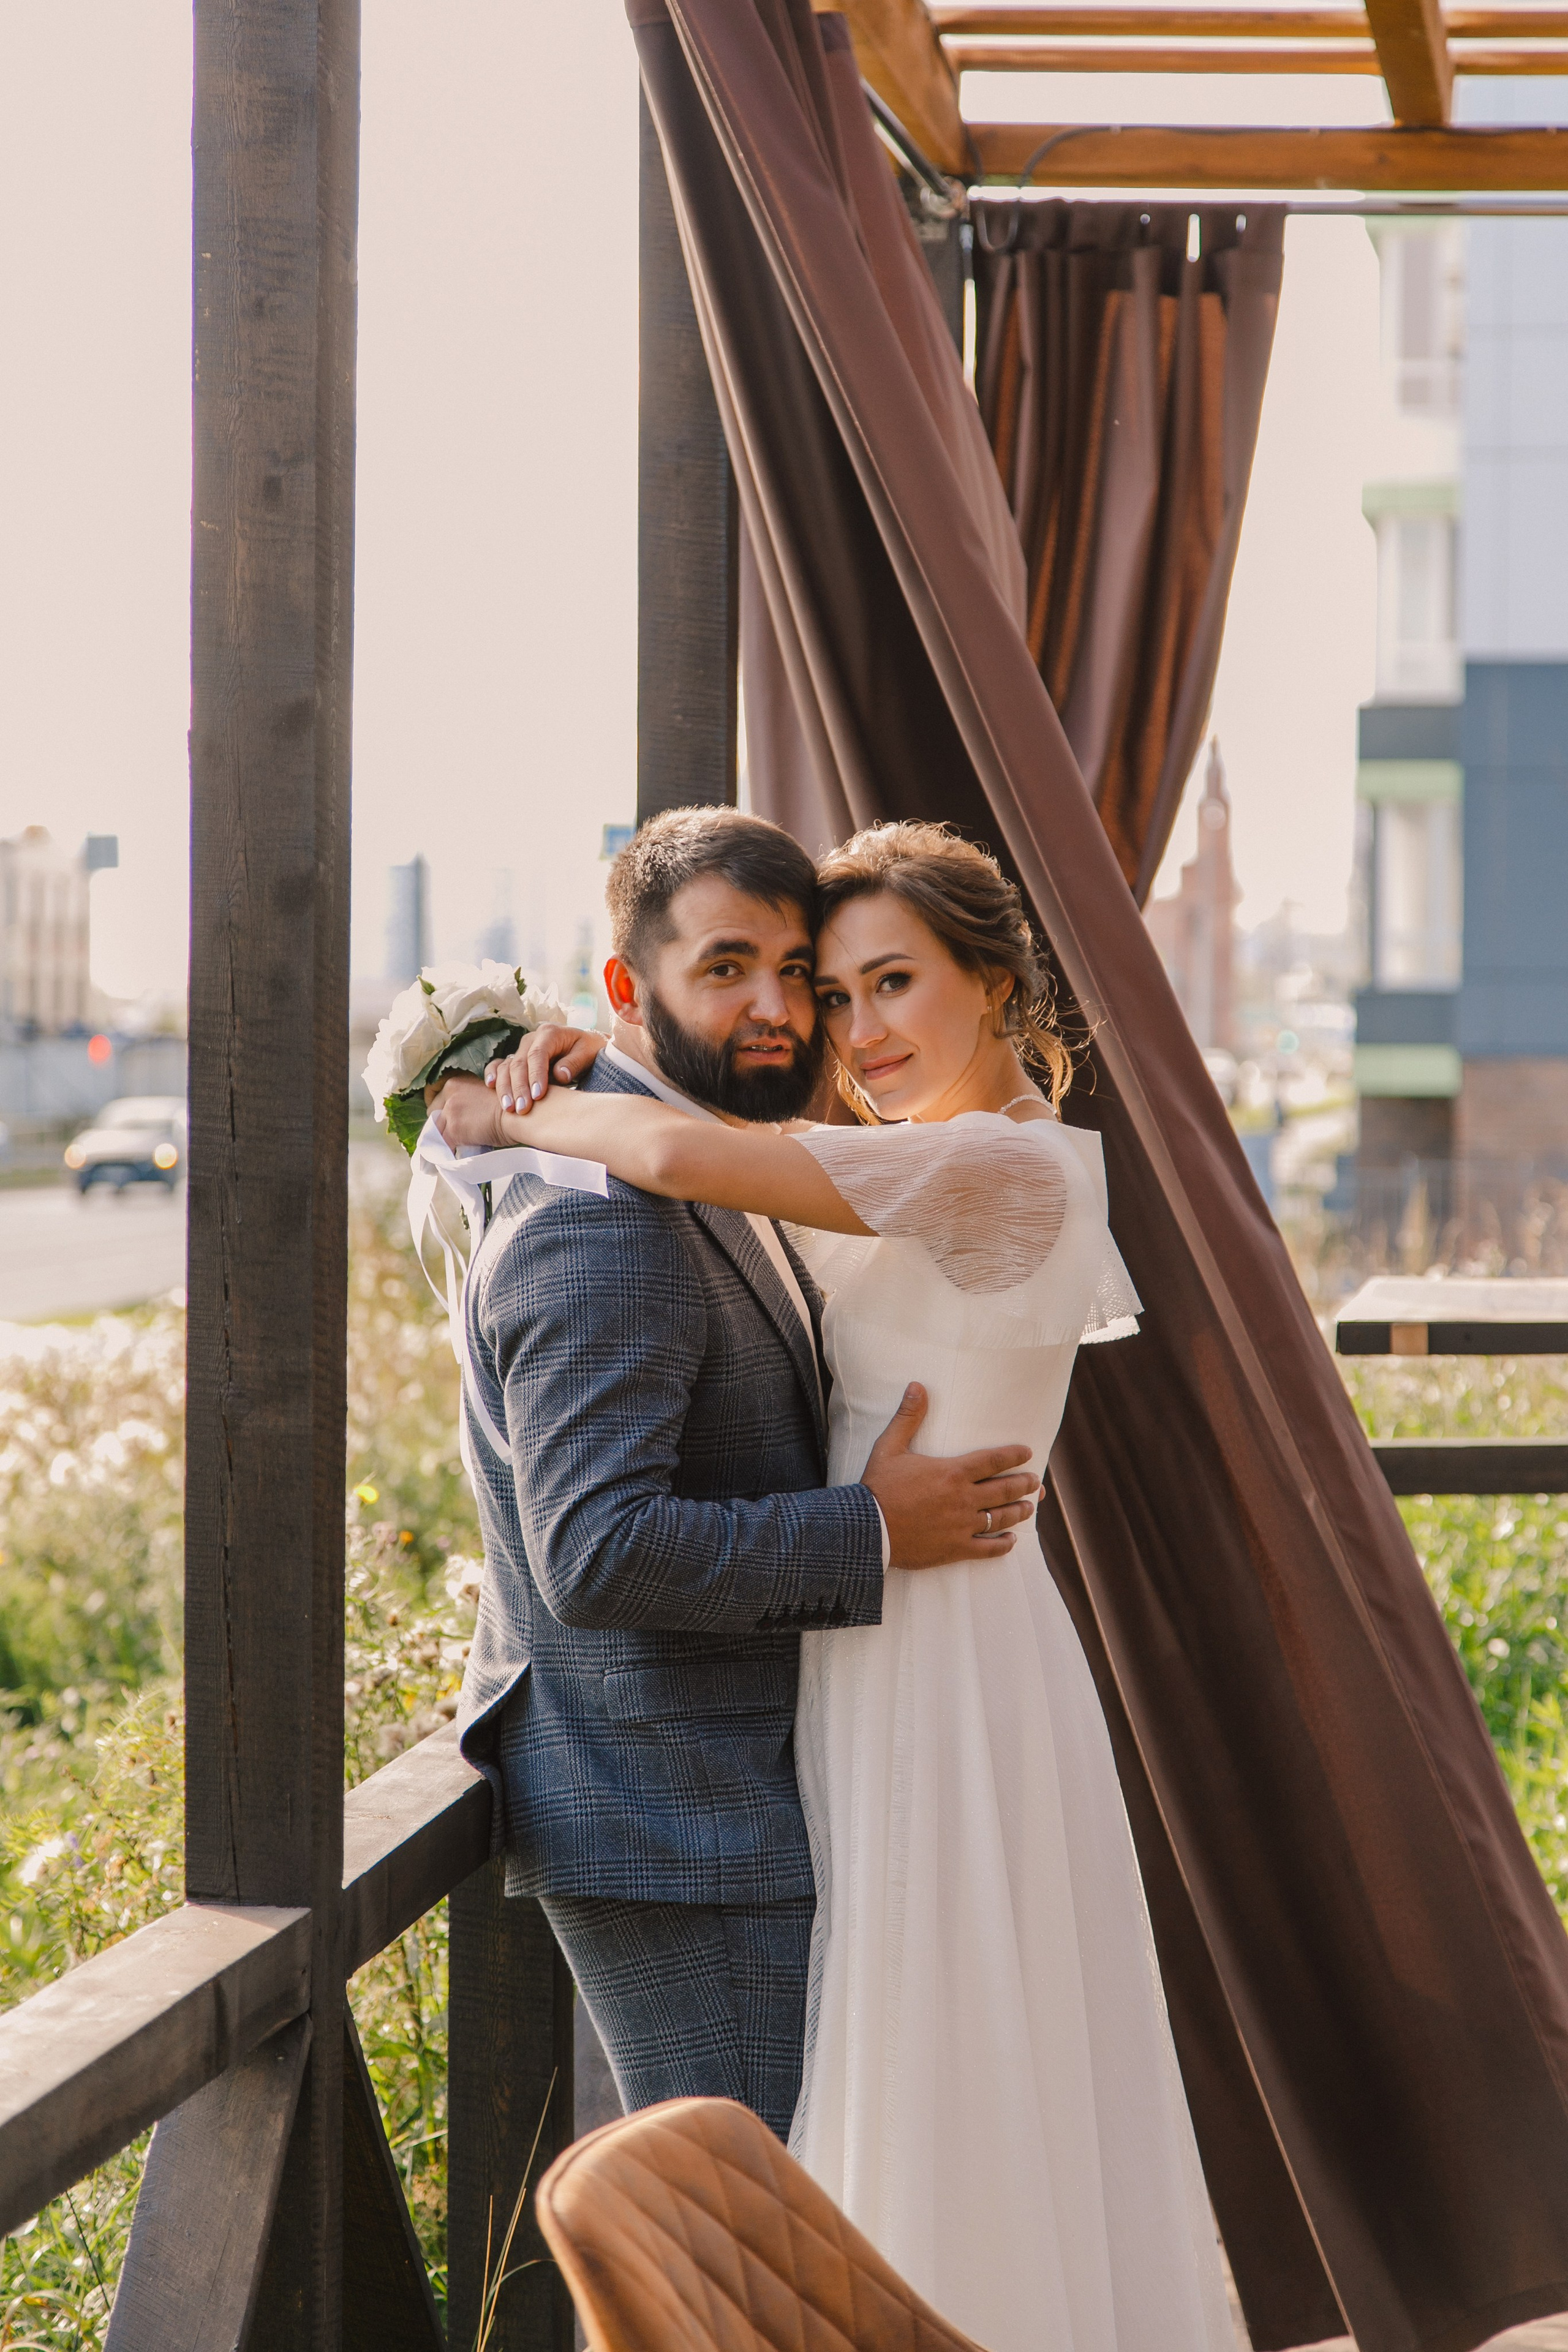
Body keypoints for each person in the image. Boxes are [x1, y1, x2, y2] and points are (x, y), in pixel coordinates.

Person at [437, 818, 1234, 2352]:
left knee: (923, 2096)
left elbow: (676, 1147)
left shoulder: (995, 1163)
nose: (843, 1030)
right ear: (640, 983)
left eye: (877, 985)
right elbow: (603, 1526)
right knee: (902, 2105)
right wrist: (582, 1056)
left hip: (940, 1655)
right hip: (845, 1665)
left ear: (993, 983)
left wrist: (498, 1107)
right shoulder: (878, 1160)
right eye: (815, 984)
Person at [442, 807, 1039, 2144]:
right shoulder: (604, 1222)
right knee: (754, 2261)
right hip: (683, 1823)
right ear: (625, 989)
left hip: (765, 1794)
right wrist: (869, 1533)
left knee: (797, 2243)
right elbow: (595, 1554)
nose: (778, 1010)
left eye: (800, 975)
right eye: (726, 970)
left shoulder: (741, 1161)